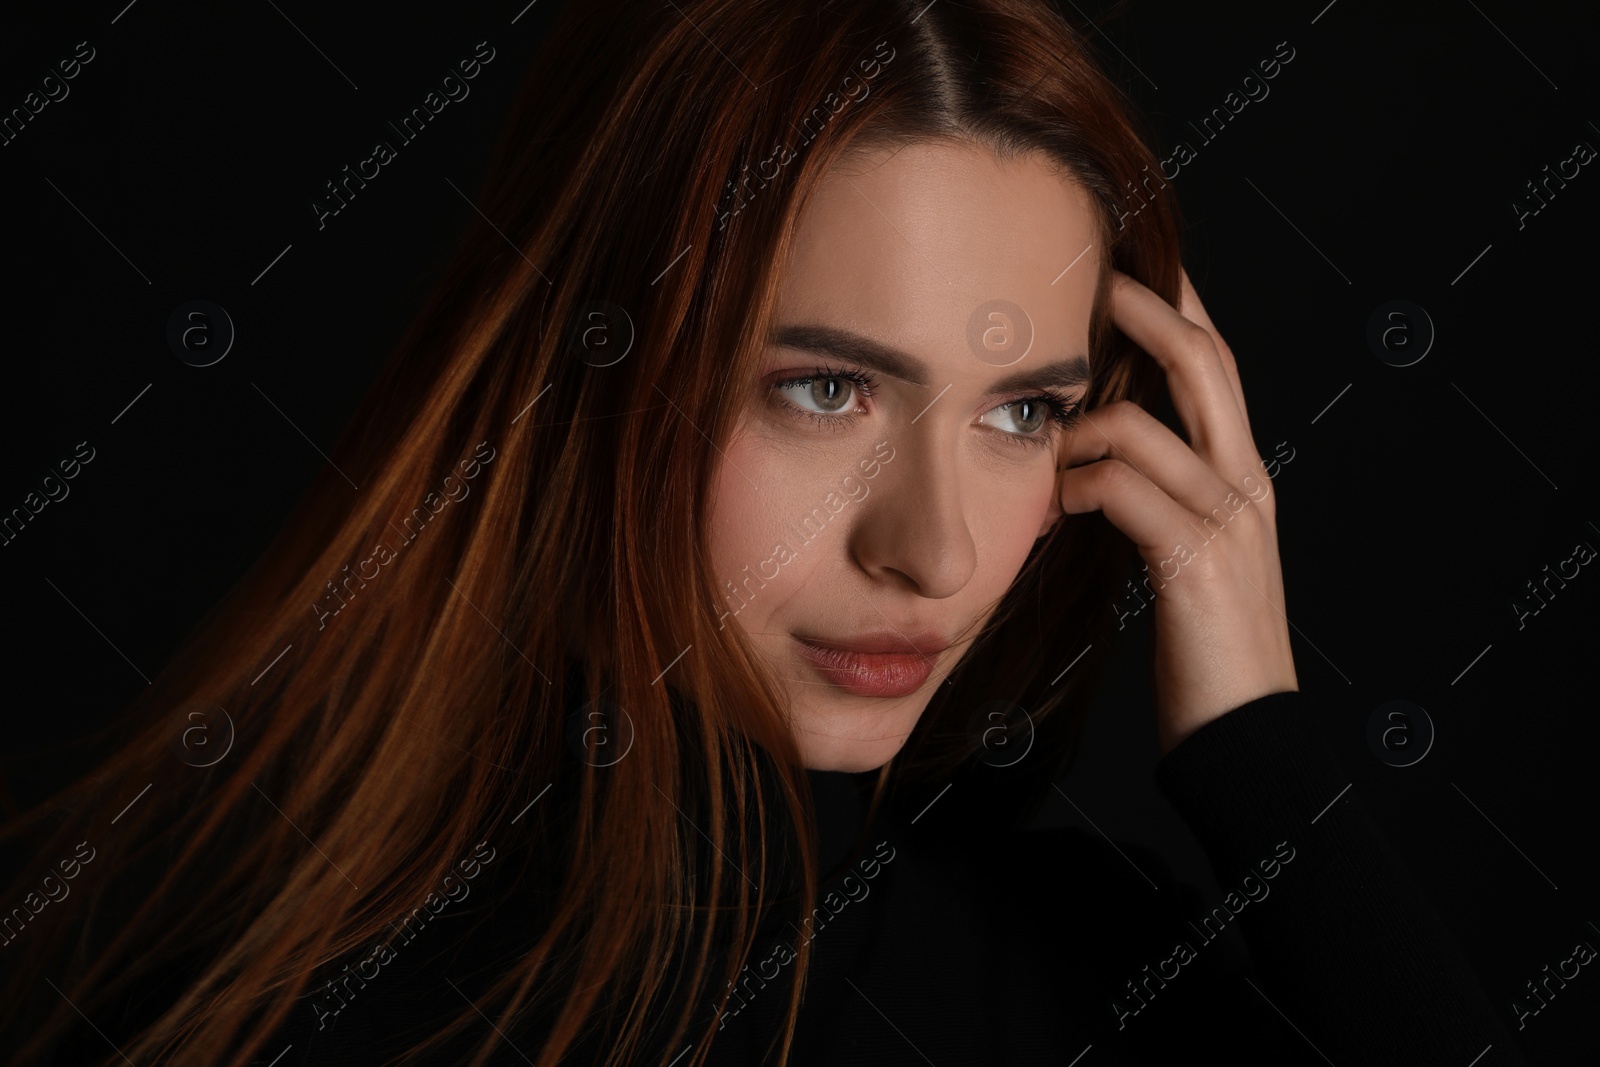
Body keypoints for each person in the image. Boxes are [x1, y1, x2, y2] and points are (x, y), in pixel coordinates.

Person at [0, 1, 1530, 1064]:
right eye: (825, 388)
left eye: (1020, 413)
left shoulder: (1082, 959)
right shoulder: (278, 1004)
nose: (930, 553)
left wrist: (1257, 743)